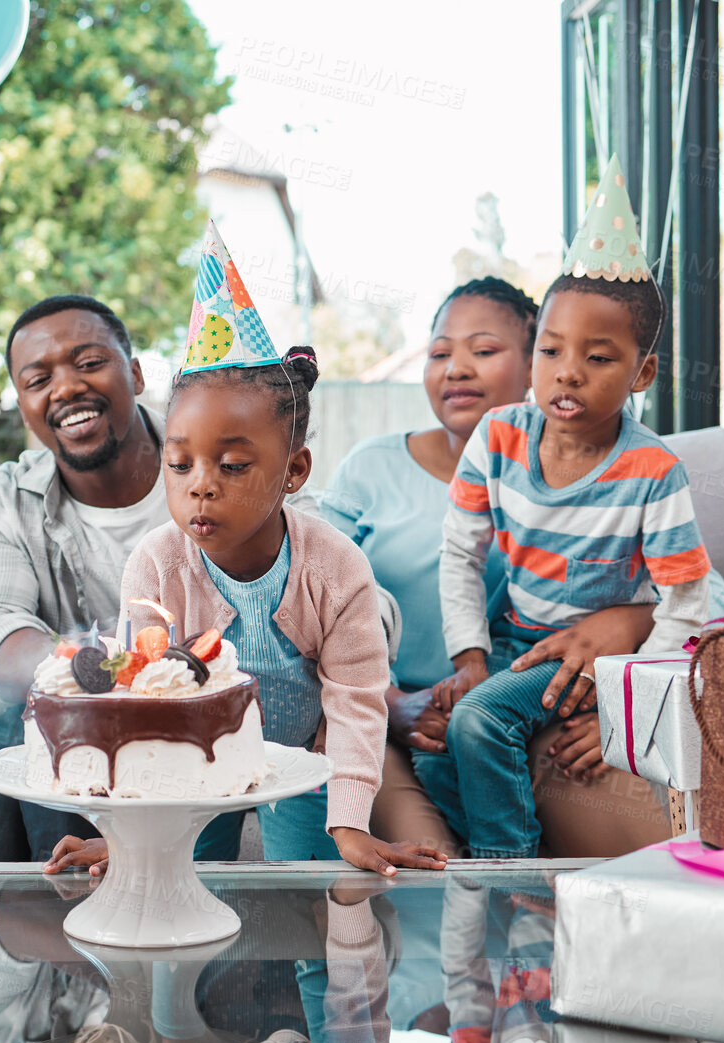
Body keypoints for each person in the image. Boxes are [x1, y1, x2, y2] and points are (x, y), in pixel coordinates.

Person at [49, 222, 447, 880]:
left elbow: (353, 697)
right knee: (171, 891)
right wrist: (127, 831)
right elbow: (143, 699)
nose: (200, 484)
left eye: (231, 466)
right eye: (179, 465)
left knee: (313, 907)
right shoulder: (155, 564)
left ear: (294, 472)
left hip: (301, 758)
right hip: (187, 765)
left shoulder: (334, 565)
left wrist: (348, 824)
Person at [414, 156, 712, 859]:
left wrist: (627, 709)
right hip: (519, 639)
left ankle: (505, 870)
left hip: (603, 654)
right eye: (550, 350)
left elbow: (685, 606)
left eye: (598, 358)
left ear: (641, 372)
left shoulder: (654, 471)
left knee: (480, 723)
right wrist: (469, 657)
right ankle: (519, 836)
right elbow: (459, 552)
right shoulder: (497, 436)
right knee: (432, 749)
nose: (567, 371)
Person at [323, 278, 662, 852]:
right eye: (439, 353)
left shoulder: (615, 469)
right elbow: (303, 610)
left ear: (541, 363)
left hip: (535, 718)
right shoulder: (368, 471)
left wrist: (628, 669)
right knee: (439, 880)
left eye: (483, 351)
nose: (456, 368)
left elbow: (704, 608)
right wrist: (392, 705)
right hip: (395, 724)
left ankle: (525, 903)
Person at [0, 295, 175, 860]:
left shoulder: (221, 458)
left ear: (137, 373)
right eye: (38, 378)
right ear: (24, 403)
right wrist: (96, 674)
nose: (67, 387)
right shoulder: (6, 496)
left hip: (195, 721)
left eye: (90, 362)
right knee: (9, 723)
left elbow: (335, 591)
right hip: (70, 723)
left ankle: (56, 934)